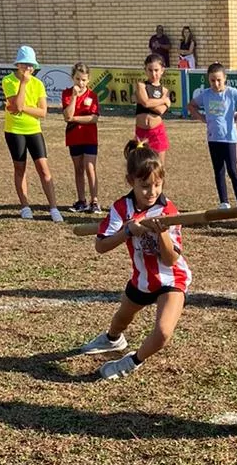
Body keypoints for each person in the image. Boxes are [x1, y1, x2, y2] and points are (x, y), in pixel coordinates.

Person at [78, 140, 191, 380]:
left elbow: (171, 260)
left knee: (162, 332)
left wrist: (161, 232)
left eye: (157, 185)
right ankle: (112, 340)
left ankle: (132, 361)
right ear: (131, 182)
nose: (152, 192)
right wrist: (127, 231)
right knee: (122, 318)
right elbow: (101, 246)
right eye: (145, 186)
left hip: (171, 279)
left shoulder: (169, 211)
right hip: (142, 279)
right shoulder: (121, 208)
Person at [1, 45, 64, 222]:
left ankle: (53, 207)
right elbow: (16, 103)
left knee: (44, 168)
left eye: (31, 65)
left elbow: (42, 112)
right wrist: (23, 84)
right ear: (18, 65)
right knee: (20, 168)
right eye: (24, 64)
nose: (28, 69)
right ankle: (25, 205)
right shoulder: (8, 81)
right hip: (14, 130)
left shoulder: (38, 84)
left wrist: (23, 108)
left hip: (34, 130)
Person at [188, 62, 237, 208]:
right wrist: (202, 118)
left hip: (229, 138)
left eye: (219, 80)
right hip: (213, 138)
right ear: (208, 80)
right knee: (218, 170)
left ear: (225, 78)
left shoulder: (231, 92)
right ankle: (224, 201)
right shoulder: (205, 94)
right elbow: (191, 105)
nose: (216, 83)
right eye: (212, 80)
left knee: (232, 169)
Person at [62, 63, 102, 213]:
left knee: (90, 167)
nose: (81, 83)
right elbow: (67, 115)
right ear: (73, 78)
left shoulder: (92, 96)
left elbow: (93, 118)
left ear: (88, 80)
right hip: (74, 136)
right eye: (78, 79)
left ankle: (94, 201)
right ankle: (81, 200)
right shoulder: (67, 93)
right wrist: (73, 97)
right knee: (78, 169)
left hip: (90, 137)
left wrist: (74, 119)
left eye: (84, 80)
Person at [134, 54, 172, 154]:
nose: (153, 73)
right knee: (140, 166)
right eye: (150, 70)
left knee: (159, 167)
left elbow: (160, 110)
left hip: (157, 132)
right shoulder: (141, 85)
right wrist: (163, 100)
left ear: (162, 70)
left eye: (156, 70)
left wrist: (146, 101)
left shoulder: (164, 90)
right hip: (141, 132)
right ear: (145, 70)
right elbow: (146, 103)